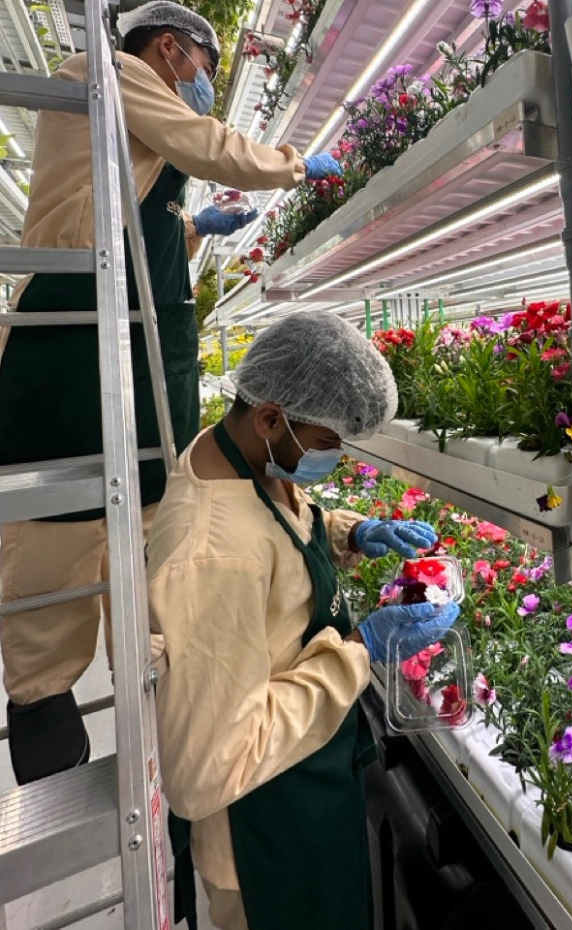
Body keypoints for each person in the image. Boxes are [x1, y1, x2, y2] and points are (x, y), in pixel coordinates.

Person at [0, 0, 343, 785]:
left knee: (142, 541)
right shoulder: (109, 73)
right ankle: (49, 735)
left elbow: (135, 221)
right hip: (73, 334)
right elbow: (210, 146)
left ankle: (150, 710)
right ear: (168, 48)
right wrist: (295, 162)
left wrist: (196, 230)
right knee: (56, 541)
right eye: (202, 72)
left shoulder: (128, 120)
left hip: (132, 353)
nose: (202, 90)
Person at [145, 312, 457, 930]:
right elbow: (209, 765)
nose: (334, 460)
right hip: (262, 833)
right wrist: (360, 650)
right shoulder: (214, 555)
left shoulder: (236, 452)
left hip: (306, 777)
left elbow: (279, 527)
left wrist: (351, 531)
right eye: (327, 444)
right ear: (271, 417)